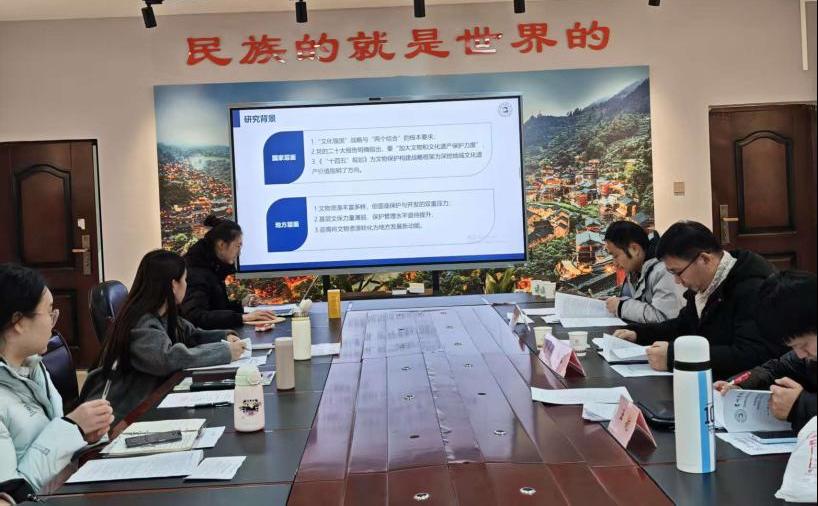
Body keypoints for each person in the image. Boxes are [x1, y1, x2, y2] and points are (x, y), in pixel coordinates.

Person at [81, 250, 245, 420]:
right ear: (173, 285)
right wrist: (224, 352)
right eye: (185, 280)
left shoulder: (163, 314)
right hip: (121, 413)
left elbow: (192, 334)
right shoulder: (141, 322)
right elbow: (166, 359)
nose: (186, 285)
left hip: (148, 400)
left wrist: (224, 337)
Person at [613, 220, 787, 379]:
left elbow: (751, 355)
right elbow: (684, 325)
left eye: (677, 272)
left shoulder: (753, 287)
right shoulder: (704, 284)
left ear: (705, 259)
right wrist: (639, 334)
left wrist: (675, 356)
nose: (677, 281)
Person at [0, 264, 113, 493]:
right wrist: (72, 428)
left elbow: (48, 450)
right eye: (49, 312)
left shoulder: (33, 367)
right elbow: (11, 494)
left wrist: (84, 436)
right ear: (19, 322)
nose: (54, 322)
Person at [715, 271, 816, 432]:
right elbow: (775, 368)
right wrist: (740, 385)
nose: (801, 354)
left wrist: (799, 405)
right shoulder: (808, 358)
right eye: (793, 347)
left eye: (804, 345)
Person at [181, 215, 276, 329]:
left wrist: (241, 305)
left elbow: (216, 308)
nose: (239, 253)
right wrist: (242, 318)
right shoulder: (196, 273)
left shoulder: (213, 268)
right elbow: (196, 317)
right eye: (237, 246)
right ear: (221, 245)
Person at [603, 221, 685, 323]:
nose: (615, 263)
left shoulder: (663, 271)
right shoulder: (634, 271)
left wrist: (621, 307)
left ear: (635, 249)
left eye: (616, 256)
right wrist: (619, 302)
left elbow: (664, 318)